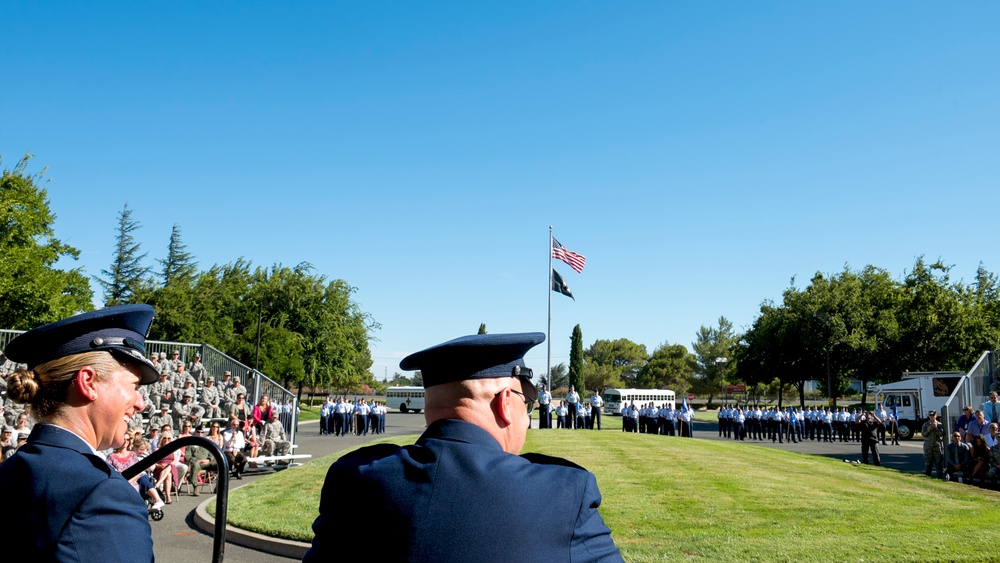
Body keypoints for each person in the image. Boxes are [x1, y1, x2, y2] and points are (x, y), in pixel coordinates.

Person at [304, 332, 623, 562]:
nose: (526, 419)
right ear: (505, 402)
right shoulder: (564, 493)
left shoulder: (354, 479)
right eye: (526, 405)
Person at [0, 304, 160, 561]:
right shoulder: (104, 495)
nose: (140, 403)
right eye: (134, 386)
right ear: (88, 383)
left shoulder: (9, 470)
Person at [922, 410, 946, 479]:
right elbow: (923, 434)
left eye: (933, 415)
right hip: (928, 446)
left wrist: (936, 428)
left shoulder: (940, 424)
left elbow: (941, 434)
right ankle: (927, 476)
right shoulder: (925, 424)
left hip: (937, 445)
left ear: (936, 416)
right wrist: (928, 430)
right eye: (930, 415)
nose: (932, 417)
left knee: (938, 462)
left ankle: (940, 477)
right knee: (928, 462)